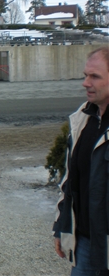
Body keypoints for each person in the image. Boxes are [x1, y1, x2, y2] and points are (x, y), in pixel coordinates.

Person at [53, 45, 109, 276]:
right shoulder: (82, 120)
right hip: (85, 243)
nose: (86, 82)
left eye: (94, 76)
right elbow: (69, 181)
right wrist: (60, 227)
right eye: (86, 75)